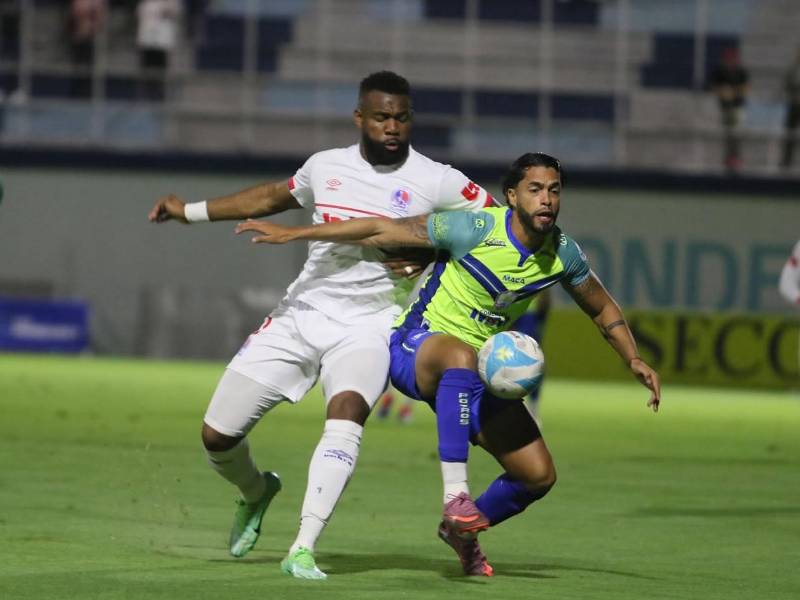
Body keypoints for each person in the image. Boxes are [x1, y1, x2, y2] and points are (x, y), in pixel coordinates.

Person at [236, 151, 662, 577]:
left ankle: (460, 531)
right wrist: (296, 233)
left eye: (553, 191)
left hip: (475, 370)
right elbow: (383, 228)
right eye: (535, 190)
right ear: (512, 196)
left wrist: (634, 358)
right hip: (416, 348)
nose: (546, 200)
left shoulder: (562, 254)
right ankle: (455, 495)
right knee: (458, 353)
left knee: (537, 476)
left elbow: (602, 308)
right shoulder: (474, 227)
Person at [148, 71, 494, 580]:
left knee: (347, 412)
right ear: (360, 118)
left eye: (400, 116)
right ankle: (257, 491)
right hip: (303, 313)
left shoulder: (437, 179)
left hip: (373, 326)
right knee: (217, 436)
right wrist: (190, 212)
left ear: (410, 118)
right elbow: (269, 197)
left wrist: (435, 253)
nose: (392, 126)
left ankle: (303, 547)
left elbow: (498, 228)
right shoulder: (325, 167)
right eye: (381, 117)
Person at [710, 47, 749, 172]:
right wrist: (723, 91)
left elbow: (745, 89)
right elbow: (714, 86)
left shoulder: (741, 71)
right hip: (725, 107)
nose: (730, 61)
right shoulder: (720, 71)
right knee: (728, 133)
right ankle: (728, 158)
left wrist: (734, 93)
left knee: (736, 133)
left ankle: (736, 158)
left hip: (738, 106)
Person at [136, 0, 181, 101]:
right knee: (146, 71)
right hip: (147, 41)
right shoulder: (146, 4)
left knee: (160, 72)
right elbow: (141, 16)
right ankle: (146, 96)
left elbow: (174, 11)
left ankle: (160, 96)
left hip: (162, 43)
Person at [781, 48, 800, 170]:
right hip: (794, 105)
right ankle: (786, 161)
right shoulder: (793, 70)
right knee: (789, 134)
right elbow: (786, 86)